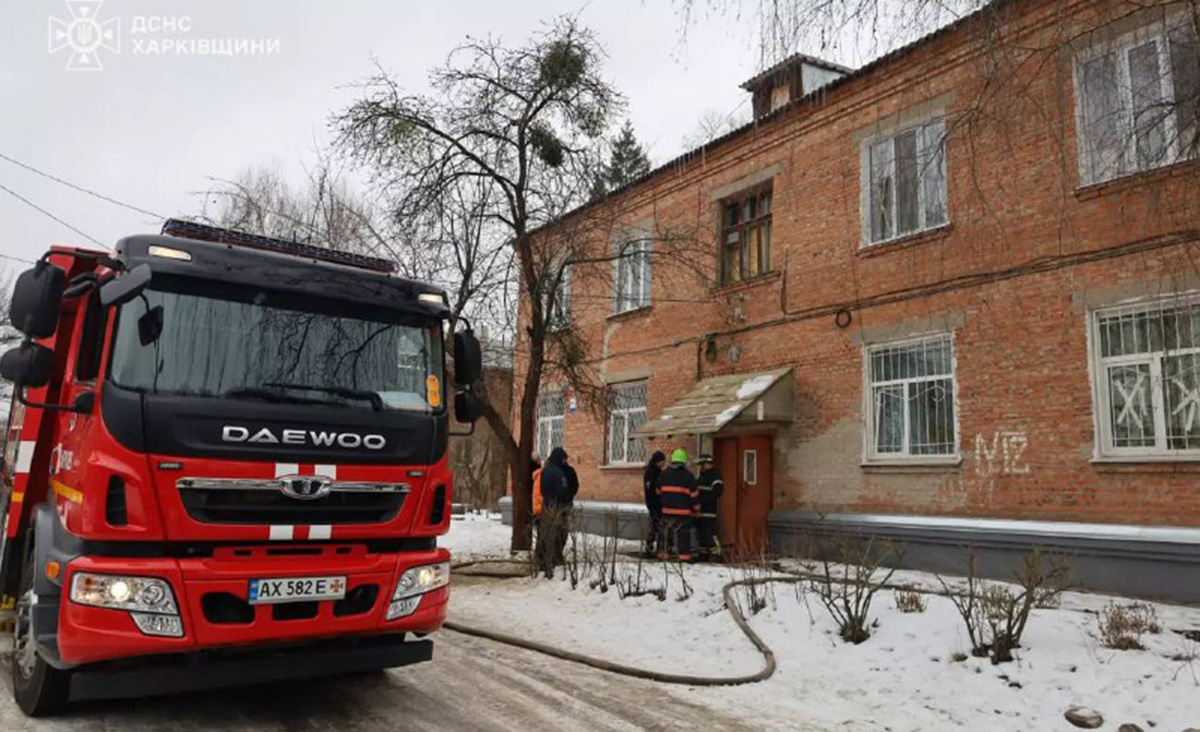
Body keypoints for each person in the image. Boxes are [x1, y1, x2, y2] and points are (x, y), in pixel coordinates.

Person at [535, 447, 576, 577]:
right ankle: (554, 559)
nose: (565, 461)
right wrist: (568, 499)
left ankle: (542, 560)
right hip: (558, 508)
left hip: (547, 506)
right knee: (559, 534)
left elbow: (542, 490)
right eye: (564, 458)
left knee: (546, 535)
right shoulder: (558, 473)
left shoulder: (545, 470)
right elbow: (563, 491)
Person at [654, 448, 699, 562]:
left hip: (667, 511)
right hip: (683, 513)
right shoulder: (689, 476)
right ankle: (684, 557)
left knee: (665, 534)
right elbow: (694, 495)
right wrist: (697, 509)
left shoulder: (664, 474)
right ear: (684, 461)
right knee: (683, 535)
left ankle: (663, 555)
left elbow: (658, 492)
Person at [695, 454, 724, 561]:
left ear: (706, 464)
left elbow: (718, 491)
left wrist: (705, 500)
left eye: (700, 465)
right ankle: (703, 554)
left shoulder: (714, 476)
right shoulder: (701, 477)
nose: (699, 467)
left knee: (710, 533)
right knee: (701, 533)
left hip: (709, 510)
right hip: (699, 511)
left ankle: (717, 553)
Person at [641, 450, 666, 557]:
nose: (663, 464)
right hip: (654, 503)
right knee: (656, 526)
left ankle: (651, 547)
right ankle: (650, 547)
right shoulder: (652, 472)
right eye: (662, 462)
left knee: (656, 526)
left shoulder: (656, 471)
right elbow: (651, 489)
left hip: (655, 503)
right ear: (658, 461)